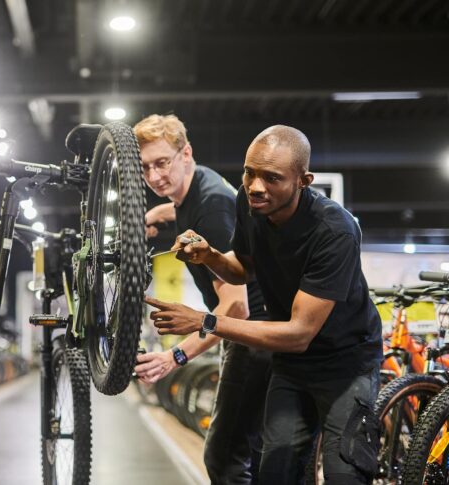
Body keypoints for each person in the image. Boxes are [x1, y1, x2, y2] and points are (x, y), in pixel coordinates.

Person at [146, 125, 383, 484]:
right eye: (249, 173)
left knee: (343, 473)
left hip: (345, 362)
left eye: (272, 178)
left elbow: (299, 333)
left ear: (303, 181)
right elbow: (244, 269)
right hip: (291, 365)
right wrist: (209, 255)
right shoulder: (249, 202)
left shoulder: (335, 230)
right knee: (274, 472)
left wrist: (203, 321)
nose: (256, 186)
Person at [132, 114, 271, 484]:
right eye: (146, 167)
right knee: (256, 454)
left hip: (252, 335)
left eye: (162, 162)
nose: (154, 176)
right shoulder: (195, 187)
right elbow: (182, 207)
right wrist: (156, 214)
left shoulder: (210, 207)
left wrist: (174, 357)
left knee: (224, 458)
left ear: (186, 153)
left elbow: (236, 305)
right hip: (254, 332)